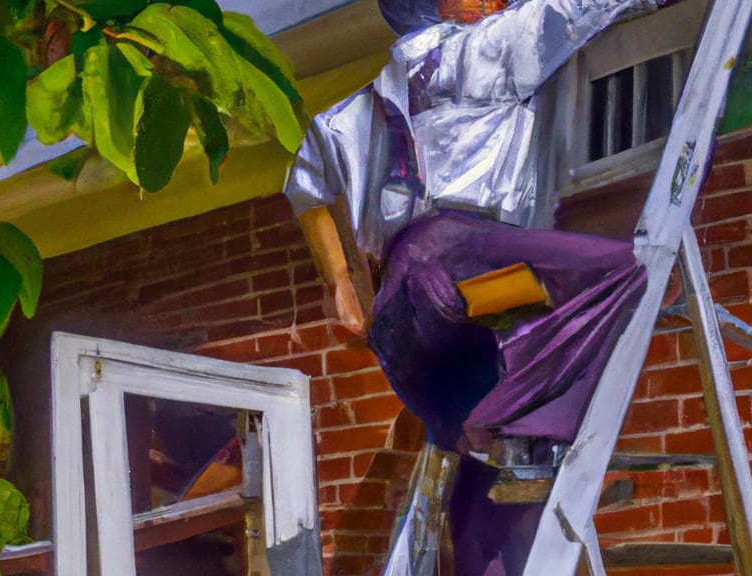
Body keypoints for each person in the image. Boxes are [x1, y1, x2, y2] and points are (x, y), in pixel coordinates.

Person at [282, 0, 668, 571]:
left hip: (409, 333)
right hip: (458, 268)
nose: (500, 3)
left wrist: (340, 282)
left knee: (488, 493)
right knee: (632, 269)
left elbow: (305, 174)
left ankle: (496, 432)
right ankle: (507, 414)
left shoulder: (376, 90)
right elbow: (577, 8)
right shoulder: (486, 46)